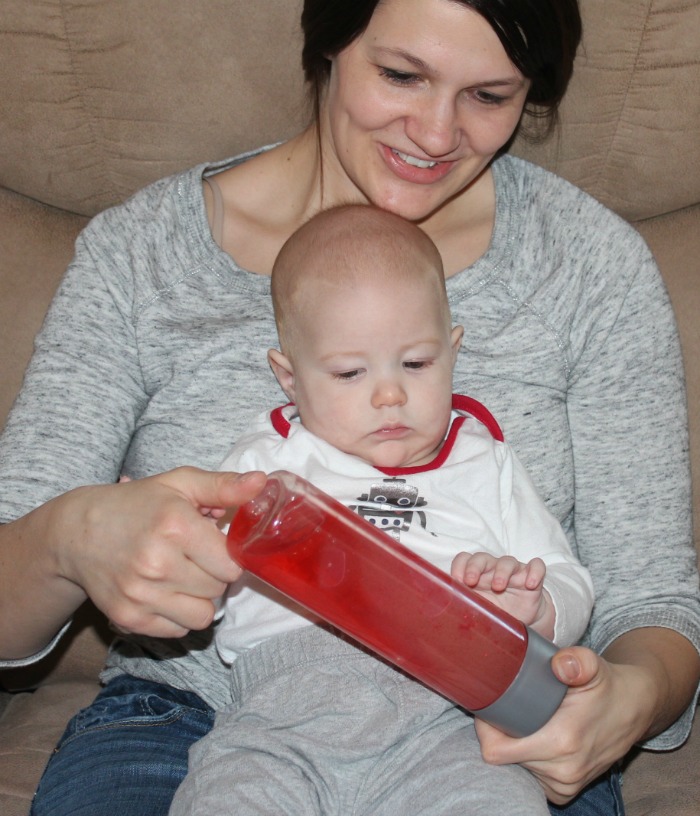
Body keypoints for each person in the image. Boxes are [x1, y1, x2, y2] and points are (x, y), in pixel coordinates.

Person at [0, 1, 697, 815]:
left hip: (477, 727)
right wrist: (69, 539)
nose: (436, 135)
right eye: (401, 75)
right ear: (330, 41)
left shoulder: (588, 268)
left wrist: (631, 696)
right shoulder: (141, 256)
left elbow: (652, 601)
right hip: (186, 718)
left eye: (489, 96)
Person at [168, 202, 595, 815]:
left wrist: (537, 606)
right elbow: (195, 585)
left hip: (449, 727)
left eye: (417, 363)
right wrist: (182, 542)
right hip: (281, 719)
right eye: (348, 373)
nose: (390, 394)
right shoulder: (267, 461)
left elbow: (571, 576)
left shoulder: (486, 463)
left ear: (452, 352)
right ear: (290, 380)